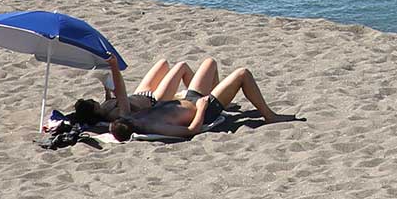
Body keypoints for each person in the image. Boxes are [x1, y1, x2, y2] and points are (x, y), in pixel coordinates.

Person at [72, 53, 284, 140]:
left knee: (209, 62)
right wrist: (201, 108)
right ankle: (269, 116)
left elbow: (120, 90)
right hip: (204, 108)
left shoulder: (130, 116)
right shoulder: (152, 127)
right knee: (242, 74)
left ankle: (225, 100)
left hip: (189, 98)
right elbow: (190, 131)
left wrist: (113, 66)